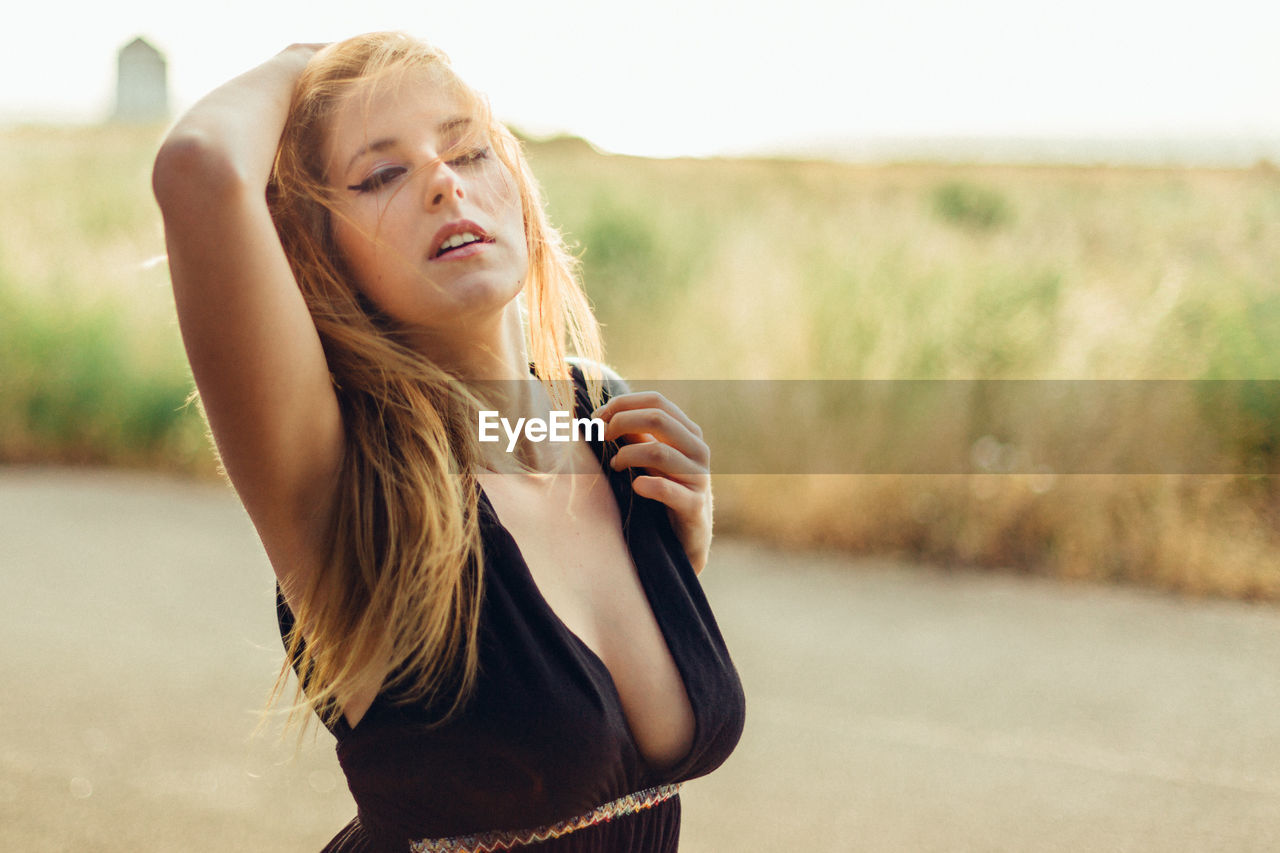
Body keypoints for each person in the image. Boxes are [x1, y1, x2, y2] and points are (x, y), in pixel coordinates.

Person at [151, 32, 745, 852]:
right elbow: (198, 169)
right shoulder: (338, 472)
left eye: (468, 150)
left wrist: (683, 555)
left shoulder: (599, 417)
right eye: (381, 173)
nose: (440, 181)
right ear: (323, 255)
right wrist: (304, 61)